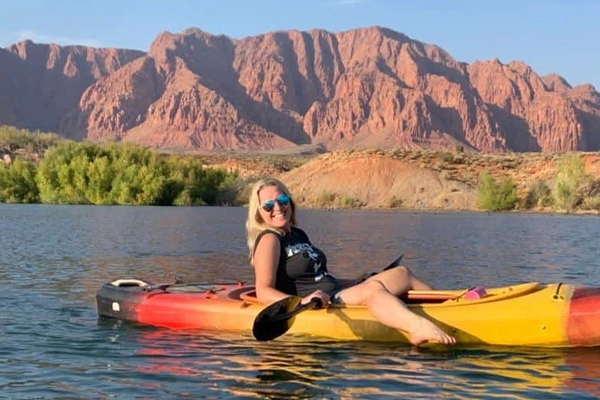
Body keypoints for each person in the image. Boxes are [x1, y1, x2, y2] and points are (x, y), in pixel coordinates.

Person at [246, 177, 456, 346]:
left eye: (282, 201)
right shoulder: (269, 239)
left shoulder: (298, 234)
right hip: (322, 302)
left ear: (289, 203)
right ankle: (417, 327)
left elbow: (318, 275)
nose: (277, 207)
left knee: (402, 273)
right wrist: (302, 301)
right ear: (259, 212)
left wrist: (355, 280)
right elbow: (263, 290)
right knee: (371, 289)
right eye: (268, 205)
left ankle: (454, 308)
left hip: (337, 291)